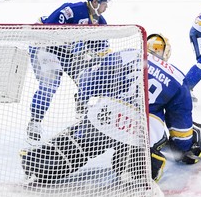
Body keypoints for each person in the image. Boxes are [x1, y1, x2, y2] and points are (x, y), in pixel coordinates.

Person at [20, 48, 150, 184]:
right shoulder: (171, 74)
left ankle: (35, 161)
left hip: (102, 118)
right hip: (133, 129)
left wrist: (83, 100)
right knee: (138, 156)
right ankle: (130, 171)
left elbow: (89, 82)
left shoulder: (124, 54)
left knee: (76, 147)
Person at [27, 0, 112, 142]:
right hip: (45, 46)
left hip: (67, 53)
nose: (106, 7)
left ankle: (81, 109)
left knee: (87, 78)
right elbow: (48, 29)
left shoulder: (100, 22)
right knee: (50, 84)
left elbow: (103, 49)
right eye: (104, 3)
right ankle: (35, 122)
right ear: (94, 2)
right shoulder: (71, 11)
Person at [146, 33, 201, 181]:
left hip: (101, 117)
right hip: (139, 132)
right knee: (152, 157)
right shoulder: (176, 77)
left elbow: (91, 79)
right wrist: (185, 148)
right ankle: (136, 165)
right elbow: (180, 124)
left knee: (84, 145)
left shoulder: (127, 54)